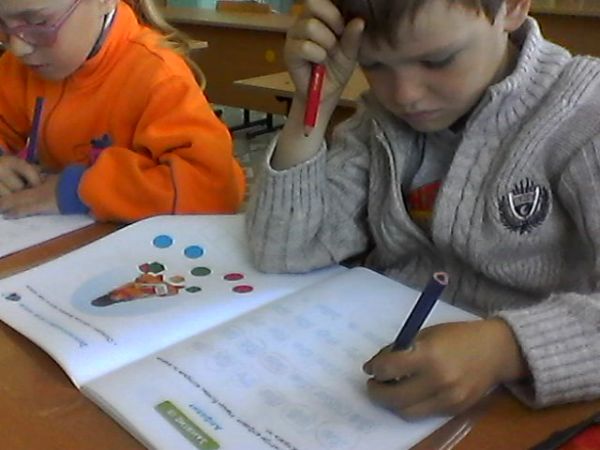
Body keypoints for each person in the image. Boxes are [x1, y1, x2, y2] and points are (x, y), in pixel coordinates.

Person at [245, 0, 600, 418]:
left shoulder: (585, 117)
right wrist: (314, 102)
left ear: (513, 8)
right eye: (373, 65)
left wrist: (507, 350)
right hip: (378, 375)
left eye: (438, 61)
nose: (405, 96)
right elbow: (284, 249)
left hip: (528, 398)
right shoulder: (379, 123)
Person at [0, 0, 245, 222]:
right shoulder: (19, 67)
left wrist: (79, 190)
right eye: (1, 24)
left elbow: (215, 188)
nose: (18, 48)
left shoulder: (159, 77)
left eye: (38, 23)